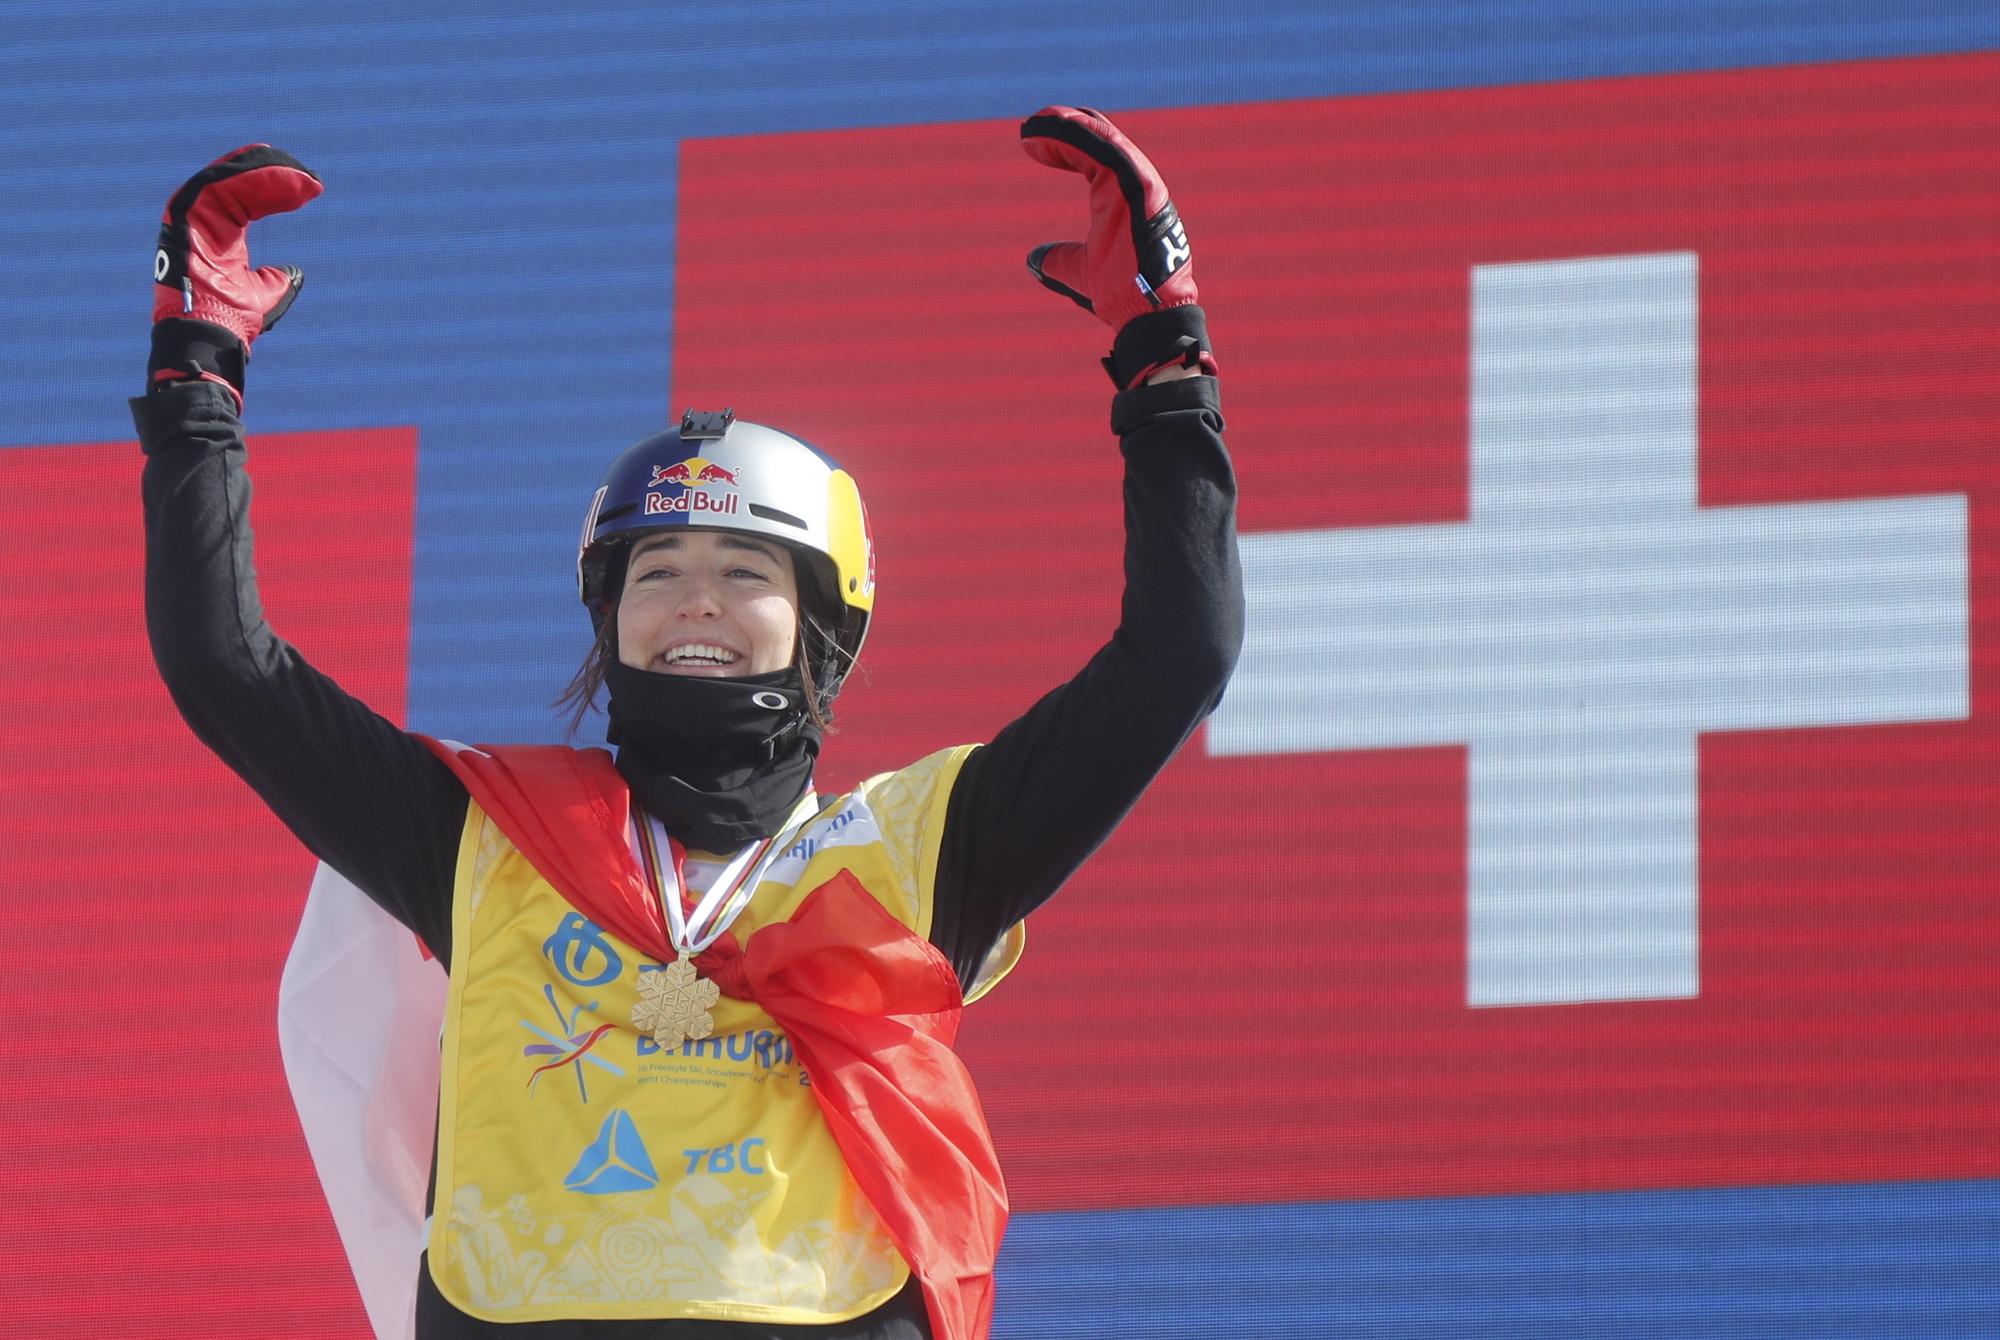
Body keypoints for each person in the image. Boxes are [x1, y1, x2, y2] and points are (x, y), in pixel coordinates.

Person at [137, 108, 1242, 1340]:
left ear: (825, 625)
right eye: (655, 569)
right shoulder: (479, 835)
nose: (695, 601)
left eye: (745, 570)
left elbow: (1177, 655)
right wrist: (197, 369)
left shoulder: (922, 851)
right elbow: (224, 663)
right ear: (606, 617)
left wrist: (1162, 357)